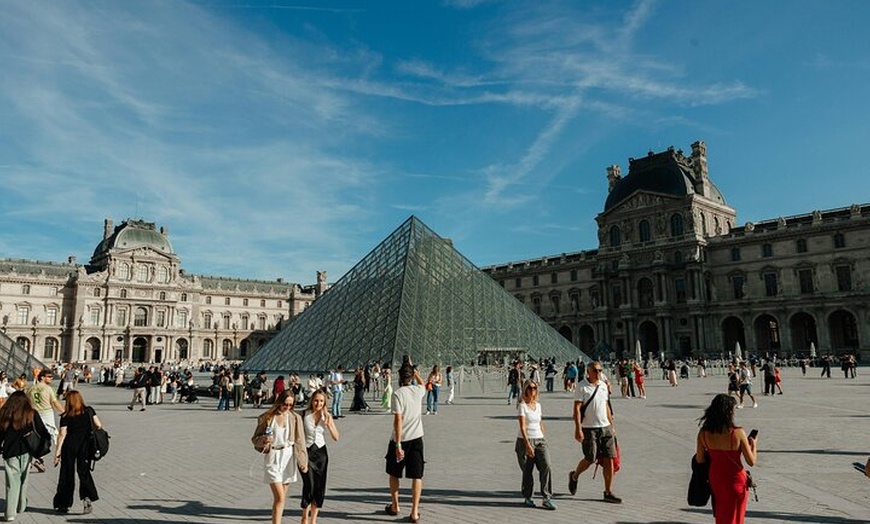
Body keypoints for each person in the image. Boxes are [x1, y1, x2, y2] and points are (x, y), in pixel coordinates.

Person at [695, 394, 758, 524]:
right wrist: (754, 445)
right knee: (736, 516)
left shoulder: (703, 433)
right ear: (729, 412)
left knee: (722, 513)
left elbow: (699, 459)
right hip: (736, 479)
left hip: (716, 478)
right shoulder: (737, 433)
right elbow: (751, 461)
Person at [251, 390, 309, 524]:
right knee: (280, 497)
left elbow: (300, 441)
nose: (287, 407)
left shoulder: (295, 418)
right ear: (279, 402)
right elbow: (255, 439)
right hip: (273, 456)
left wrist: (303, 461)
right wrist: (264, 440)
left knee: (281, 499)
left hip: (288, 457)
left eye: (290, 405)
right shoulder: (267, 417)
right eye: (285, 404)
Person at [568, 361, 621, 504]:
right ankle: (574, 475)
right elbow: (577, 409)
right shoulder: (581, 386)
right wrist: (578, 428)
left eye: (600, 370)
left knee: (609, 459)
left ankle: (608, 492)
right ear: (588, 372)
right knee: (590, 458)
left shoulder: (603, 386)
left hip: (606, 427)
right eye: (595, 370)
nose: (598, 373)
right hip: (589, 428)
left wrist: (612, 426)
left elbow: (606, 406)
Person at [0, 390, 51, 521]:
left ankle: (10, 513)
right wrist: (44, 445)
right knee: (24, 479)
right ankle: (21, 505)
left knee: (12, 482)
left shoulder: (5, 413)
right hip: (27, 451)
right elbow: (43, 431)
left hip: (10, 452)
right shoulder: (31, 413)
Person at [384, 362, 425, 523]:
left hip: (400, 440)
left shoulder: (398, 394)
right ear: (411, 376)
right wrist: (416, 372)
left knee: (394, 473)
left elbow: (398, 420)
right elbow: (422, 384)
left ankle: (395, 506)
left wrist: (398, 444)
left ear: (399, 377)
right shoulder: (418, 391)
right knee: (417, 476)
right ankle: (414, 512)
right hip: (417, 438)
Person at [52, 390, 102, 514]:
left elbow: (62, 434)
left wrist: (57, 452)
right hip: (85, 445)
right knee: (84, 472)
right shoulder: (89, 411)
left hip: (69, 445)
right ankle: (87, 498)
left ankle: (63, 503)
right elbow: (98, 425)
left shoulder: (65, 415)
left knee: (66, 474)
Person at [300, 390, 340, 524]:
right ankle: (304, 517)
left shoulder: (326, 416)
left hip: (321, 454)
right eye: (316, 400)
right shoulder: (304, 414)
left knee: (319, 486)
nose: (318, 403)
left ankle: (313, 520)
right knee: (309, 484)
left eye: (321, 401)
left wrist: (328, 425)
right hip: (306, 452)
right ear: (312, 400)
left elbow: (336, 437)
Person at [515, 380, 555, 510]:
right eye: (530, 388)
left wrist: (542, 435)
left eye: (535, 388)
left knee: (547, 466)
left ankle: (546, 497)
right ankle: (528, 496)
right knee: (528, 470)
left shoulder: (538, 405)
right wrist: (527, 444)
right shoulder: (522, 406)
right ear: (525, 390)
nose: (532, 390)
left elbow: (540, 421)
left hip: (540, 440)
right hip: (525, 440)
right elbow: (522, 426)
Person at [26, 370, 64, 473]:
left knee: (35, 436)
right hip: (46, 413)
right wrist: (64, 412)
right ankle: (45, 458)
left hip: (34, 414)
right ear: (42, 377)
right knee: (50, 436)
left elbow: (27, 402)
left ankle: (31, 460)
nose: (51, 378)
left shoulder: (31, 389)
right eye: (49, 376)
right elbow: (55, 402)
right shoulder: (48, 389)